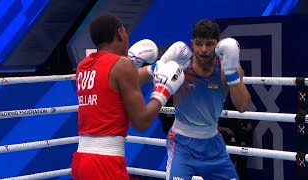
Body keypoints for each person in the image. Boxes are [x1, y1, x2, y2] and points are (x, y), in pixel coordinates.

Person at [71, 14, 186, 180]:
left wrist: (154, 68)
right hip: (105, 163)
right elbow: (141, 122)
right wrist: (163, 90)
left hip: (82, 161)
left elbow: (118, 84)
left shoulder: (84, 66)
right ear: (119, 33)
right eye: (125, 33)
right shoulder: (122, 66)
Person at [165, 19, 251, 180]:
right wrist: (160, 69)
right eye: (198, 44)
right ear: (192, 43)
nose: (203, 49)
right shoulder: (181, 66)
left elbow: (243, 106)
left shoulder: (227, 68)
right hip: (182, 144)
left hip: (213, 145)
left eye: (209, 44)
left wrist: (232, 73)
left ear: (218, 45)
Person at [218, 100, 253, 180]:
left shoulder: (243, 112)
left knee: (241, 163)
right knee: (227, 162)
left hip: (239, 139)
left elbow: (249, 126)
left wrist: (243, 129)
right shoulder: (224, 110)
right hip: (227, 140)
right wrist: (226, 129)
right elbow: (215, 127)